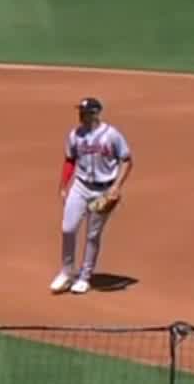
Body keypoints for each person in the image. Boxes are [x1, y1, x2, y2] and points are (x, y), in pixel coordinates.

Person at [53, 96, 134, 294]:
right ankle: (66, 272)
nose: (81, 115)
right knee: (68, 229)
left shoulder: (112, 135)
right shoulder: (75, 135)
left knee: (92, 234)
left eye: (85, 112)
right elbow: (70, 159)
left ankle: (85, 276)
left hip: (104, 189)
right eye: (80, 111)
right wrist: (64, 185)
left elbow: (126, 160)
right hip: (80, 187)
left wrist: (116, 187)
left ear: (95, 113)